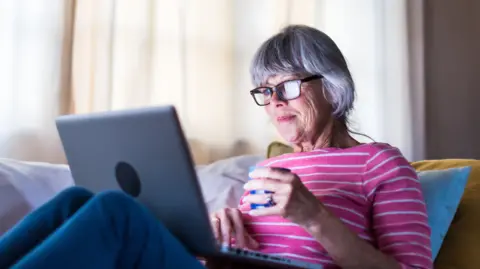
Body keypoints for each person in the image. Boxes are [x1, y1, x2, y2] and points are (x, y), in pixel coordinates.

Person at [0, 25, 432, 269]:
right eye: (265, 90)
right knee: (76, 200)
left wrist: (315, 217)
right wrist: (226, 243)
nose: (275, 101)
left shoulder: (379, 163)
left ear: (332, 85)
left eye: (289, 86)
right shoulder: (268, 170)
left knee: (115, 212)